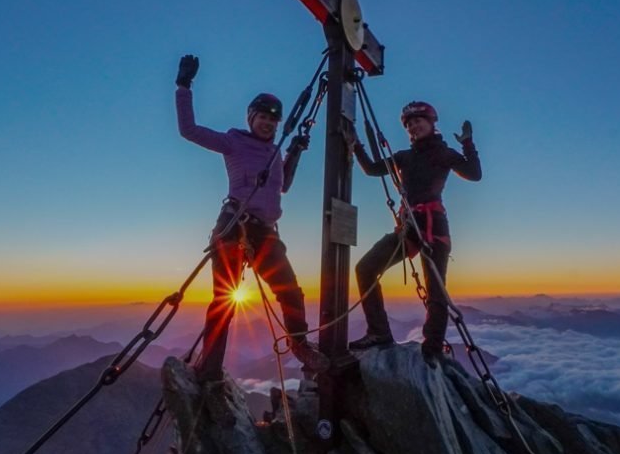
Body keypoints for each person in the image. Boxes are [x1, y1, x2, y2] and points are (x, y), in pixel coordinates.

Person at [175, 54, 329, 381]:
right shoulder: (233, 142)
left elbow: (282, 185)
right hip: (233, 227)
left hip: (265, 232)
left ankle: (300, 347)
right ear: (251, 118)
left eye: (273, 120)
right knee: (224, 301)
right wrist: (183, 85)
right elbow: (188, 130)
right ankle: (210, 370)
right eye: (262, 117)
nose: (268, 123)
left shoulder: (275, 153)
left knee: (290, 290)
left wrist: (295, 152)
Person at [349, 101, 482, 362]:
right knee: (365, 268)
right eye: (409, 124)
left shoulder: (443, 153)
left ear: (432, 123)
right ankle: (379, 332)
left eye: (418, 121)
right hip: (409, 227)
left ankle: (431, 349)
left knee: (436, 289)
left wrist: (468, 143)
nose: (413, 127)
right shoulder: (404, 157)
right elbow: (372, 169)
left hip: (433, 225)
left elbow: (474, 173)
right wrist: (356, 145)